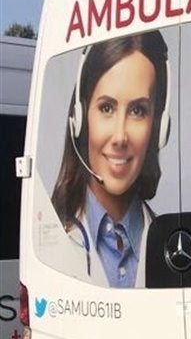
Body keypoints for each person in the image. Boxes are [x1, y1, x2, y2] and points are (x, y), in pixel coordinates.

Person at [51, 31, 170, 287]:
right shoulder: (49, 239)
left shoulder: (172, 246)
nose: (119, 137)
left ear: (158, 128)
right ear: (80, 118)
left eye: (138, 111)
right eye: (106, 108)